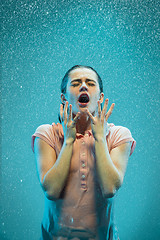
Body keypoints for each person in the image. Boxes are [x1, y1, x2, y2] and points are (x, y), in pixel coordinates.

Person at [31, 65, 136, 240]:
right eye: (76, 83)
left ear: (101, 97)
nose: (83, 86)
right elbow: (51, 190)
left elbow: (110, 188)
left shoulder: (119, 135)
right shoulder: (46, 133)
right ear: (64, 98)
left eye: (90, 83)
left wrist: (100, 139)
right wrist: (69, 140)